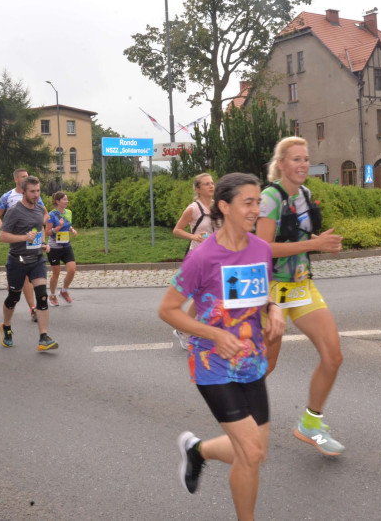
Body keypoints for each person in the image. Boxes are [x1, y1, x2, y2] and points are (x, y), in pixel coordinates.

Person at [158, 173, 285, 521]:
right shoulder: (203, 257)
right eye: (249, 202)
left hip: (251, 362)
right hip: (212, 364)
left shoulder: (260, 249)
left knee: (255, 454)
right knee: (251, 451)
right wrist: (214, 335)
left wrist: (274, 309)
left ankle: (197, 451)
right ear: (225, 207)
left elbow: (261, 296)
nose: (257, 209)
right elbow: (167, 310)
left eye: (258, 202)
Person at [258, 136, 346, 456]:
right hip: (270, 291)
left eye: (306, 159)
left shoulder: (306, 195)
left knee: (333, 356)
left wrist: (320, 241)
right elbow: (263, 248)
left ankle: (310, 424)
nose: (302, 165)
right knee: (266, 366)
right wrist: (312, 245)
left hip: (301, 286)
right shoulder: (269, 198)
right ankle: (236, 411)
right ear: (280, 164)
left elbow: (301, 237)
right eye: (295, 159)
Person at [0, 175, 58, 352]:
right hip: (17, 260)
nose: (36, 194)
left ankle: (43, 337)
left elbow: (39, 227)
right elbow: (2, 236)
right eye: (32, 191)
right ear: (23, 191)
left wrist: (43, 243)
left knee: (42, 296)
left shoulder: (40, 209)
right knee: (14, 297)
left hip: (37, 259)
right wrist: (24, 238)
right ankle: (7, 327)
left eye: (38, 191)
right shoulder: (14, 211)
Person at [170, 173, 216, 348]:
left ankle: (185, 330)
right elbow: (177, 230)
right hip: (197, 258)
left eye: (212, 183)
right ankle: (193, 331)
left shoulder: (217, 207)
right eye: (206, 184)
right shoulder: (193, 209)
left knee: (205, 297)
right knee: (204, 296)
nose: (211, 186)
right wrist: (194, 237)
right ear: (198, 189)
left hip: (214, 257)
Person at [0, 168, 45, 323]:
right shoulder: (7, 196)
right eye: (24, 176)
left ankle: (33, 308)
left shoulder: (35, 194)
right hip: (16, 245)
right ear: (17, 180)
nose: (26, 177)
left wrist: (40, 236)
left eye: (27, 176)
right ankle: (10, 319)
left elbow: (43, 214)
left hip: (34, 249)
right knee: (15, 290)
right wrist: (9, 230)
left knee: (33, 284)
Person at [44, 191, 78, 307]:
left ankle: (63, 291)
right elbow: (48, 232)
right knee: (56, 272)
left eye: (67, 199)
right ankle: (52, 295)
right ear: (58, 201)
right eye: (64, 199)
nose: (67, 201)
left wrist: (72, 229)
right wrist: (58, 227)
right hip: (54, 248)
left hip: (66, 246)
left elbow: (67, 224)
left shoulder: (68, 212)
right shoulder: (51, 215)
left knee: (72, 270)